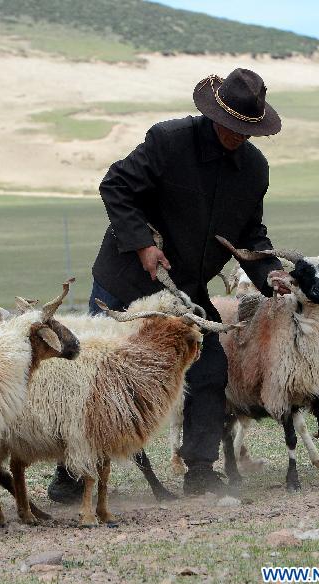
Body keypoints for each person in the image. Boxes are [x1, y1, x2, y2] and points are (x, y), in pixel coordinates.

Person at [48, 68, 286, 501]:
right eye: (233, 127)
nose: (239, 136)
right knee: (96, 375)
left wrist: (270, 273)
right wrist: (141, 244)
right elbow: (115, 185)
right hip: (127, 280)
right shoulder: (169, 140)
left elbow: (250, 235)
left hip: (186, 293)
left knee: (211, 368)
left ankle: (199, 469)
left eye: (248, 130)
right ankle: (70, 475)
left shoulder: (254, 169)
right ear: (215, 114)